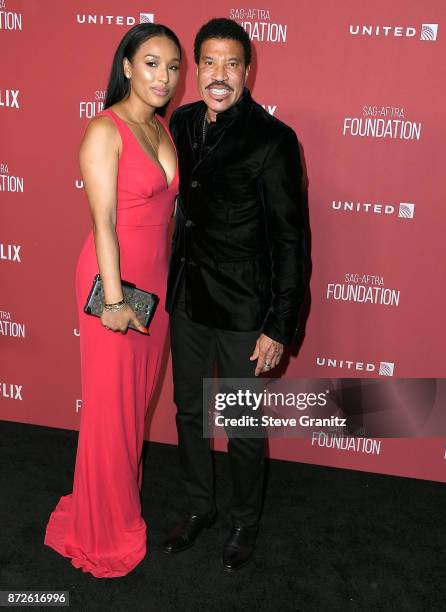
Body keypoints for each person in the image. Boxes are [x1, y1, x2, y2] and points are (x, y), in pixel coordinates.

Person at [163, 18, 308, 571]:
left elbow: (291, 242)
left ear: (248, 70)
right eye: (209, 62)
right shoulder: (180, 122)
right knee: (190, 411)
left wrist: (280, 324)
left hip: (247, 311)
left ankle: (244, 519)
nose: (219, 75)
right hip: (187, 302)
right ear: (195, 67)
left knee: (243, 424)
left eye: (231, 63)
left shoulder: (274, 141)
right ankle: (200, 507)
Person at [44, 23, 181, 578]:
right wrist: (115, 301)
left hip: (157, 285)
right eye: (151, 63)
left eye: (173, 67)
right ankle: (103, 531)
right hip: (114, 285)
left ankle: (115, 505)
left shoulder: (162, 129)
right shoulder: (106, 130)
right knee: (110, 409)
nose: (164, 77)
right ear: (126, 65)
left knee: (134, 406)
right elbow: (102, 221)